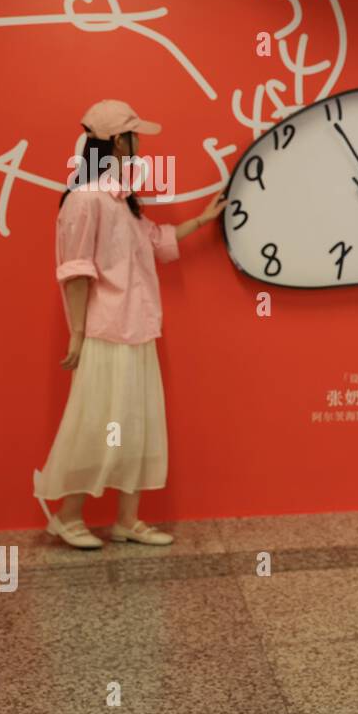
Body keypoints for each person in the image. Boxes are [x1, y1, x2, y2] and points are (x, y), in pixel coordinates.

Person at [34, 100, 223, 549]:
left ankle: (126, 519)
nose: (140, 145)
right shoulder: (85, 200)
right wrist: (78, 333)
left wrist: (202, 218)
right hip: (106, 331)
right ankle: (68, 515)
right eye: (135, 136)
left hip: (138, 329)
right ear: (119, 141)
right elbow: (77, 269)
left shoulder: (121, 200)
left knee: (135, 423)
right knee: (97, 422)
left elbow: (156, 241)